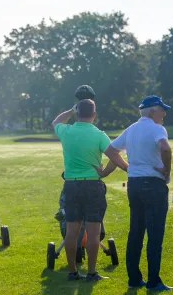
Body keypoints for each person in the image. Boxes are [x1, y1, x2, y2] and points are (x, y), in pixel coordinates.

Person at [95, 95, 173, 291]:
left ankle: (134, 279)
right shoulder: (157, 129)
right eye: (162, 110)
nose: (164, 113)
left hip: (134, 184)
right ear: (152, 111)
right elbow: (165, 148)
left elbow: (111, 151)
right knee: (155, 234)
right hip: (153, 185)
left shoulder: (131, 129)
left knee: (136, 232)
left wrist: (122, 169)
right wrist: (167, 170)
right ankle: (154, 281)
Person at [52, 92, 117, 282]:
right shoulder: (99, 135)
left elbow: (56, 120)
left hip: (71, 186)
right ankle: (91, 272)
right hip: (93, 185)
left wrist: (71, 110)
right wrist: (105, 173)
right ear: (94, 115)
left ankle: (72, 272)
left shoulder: (66, 131)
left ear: (77, 113)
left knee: (71, 232)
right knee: (94, 232)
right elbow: (114, 156)